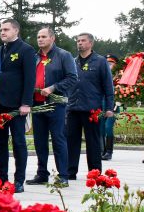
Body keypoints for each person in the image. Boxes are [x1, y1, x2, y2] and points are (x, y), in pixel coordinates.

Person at [25, 27, 78, 186]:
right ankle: (42, 174)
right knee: (39, 141)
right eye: (38, 37)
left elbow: (72, 78)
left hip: (55, 105)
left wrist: (53, 88)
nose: (40, 39)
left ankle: (63, 175)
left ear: (52, 38)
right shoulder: (34, 57)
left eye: (43, 36)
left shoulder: (64, 55)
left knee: (58, 139)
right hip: (38, 104)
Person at [0, 19, 35, 193]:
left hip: (17, 105)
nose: (2, 32)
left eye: (6, 29)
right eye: (1, 30)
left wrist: (26, 102)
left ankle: (19, 180)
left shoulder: (26, 50)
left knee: (18, 142)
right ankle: (1, 178)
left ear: (16, 31)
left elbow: (29, 78)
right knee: (0, 142)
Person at [66, 33, 114, 180]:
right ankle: (70, 171)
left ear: (91, 43)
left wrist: (109, 108)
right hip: (73, 107)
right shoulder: (72, 62)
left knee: (93, 142)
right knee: (71, 141)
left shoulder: (100, 62)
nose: (80, 43)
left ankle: (94, 173)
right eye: (78, 41)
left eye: (83, 41)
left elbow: (108, 86)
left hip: (92, 108)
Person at [101, 54, 121, 160]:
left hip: (113, 106)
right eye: (107, 63)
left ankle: (109, 152)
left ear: (115, 65)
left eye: (111, 63)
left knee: (108, 127)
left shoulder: (119, 78)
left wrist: (121, 100)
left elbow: (123, 92)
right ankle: (101, 151)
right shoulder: (101, 74)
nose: (108, 65)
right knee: (100, 129)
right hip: (100, 105)